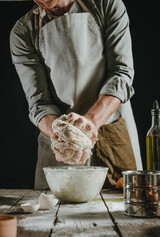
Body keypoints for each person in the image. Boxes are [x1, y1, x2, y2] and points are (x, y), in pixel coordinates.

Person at [10, 0, 143, 189]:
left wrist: (90, 123)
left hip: (114, 134)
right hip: (62, 144)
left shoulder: (106, 4)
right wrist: (63, 135)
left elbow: (121, 74)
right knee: (56, 215)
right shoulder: (23, 31)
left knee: (123, 208)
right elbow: (39, 103)